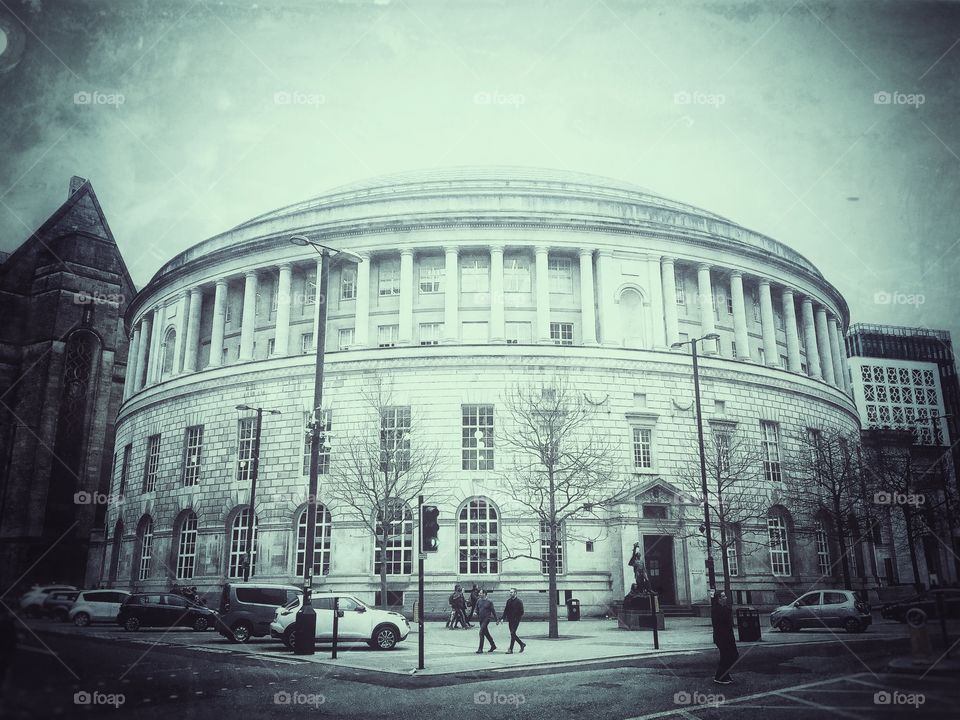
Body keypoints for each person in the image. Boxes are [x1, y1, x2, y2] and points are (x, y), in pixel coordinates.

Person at [710, 589, 738, 684]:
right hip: (723, 637)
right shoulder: (718, 610)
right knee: (729, 656)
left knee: (727, 656)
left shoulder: (722, 609)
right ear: (719, 599)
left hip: (726, 637)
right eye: (723, 596)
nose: (726, 598)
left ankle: (724, 674)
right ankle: (719, 676)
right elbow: (722, 625)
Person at [503, 588, 526, 654]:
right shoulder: (508, 601)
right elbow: (506, 610)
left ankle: (511, 649)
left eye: (512, 592)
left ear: (515, 593)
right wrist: (503, 618)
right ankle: (521, 644)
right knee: (513, 634)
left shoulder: (519, 601)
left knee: (512, 633)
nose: (510, 593)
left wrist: (517, 617)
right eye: (510, 592)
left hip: (516, 620)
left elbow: (522, 611)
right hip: (510, 620)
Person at [474, 589, 498, 653]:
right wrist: (475, 612)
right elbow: (476, 608)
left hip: (486, 619)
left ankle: (480, 649)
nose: (479, 594)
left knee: (481, 632)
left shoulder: (489, 602)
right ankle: (493, 645)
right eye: (479, 593)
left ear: (484, 594)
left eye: (480, 593)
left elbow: (493, 611)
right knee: (486, 633)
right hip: (480, 619)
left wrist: (496, 619)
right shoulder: (478, 601)